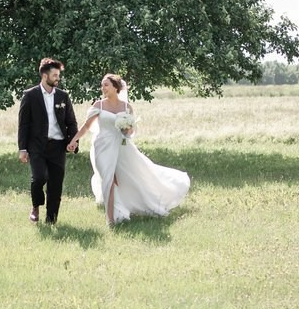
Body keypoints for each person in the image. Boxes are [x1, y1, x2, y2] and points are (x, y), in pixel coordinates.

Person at [67, 73, 190, 227]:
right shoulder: (98, 105)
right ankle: (110, 219)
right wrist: (74, 140)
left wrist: (126, 130)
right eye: (102, 85)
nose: (102, 88)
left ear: (116, 87)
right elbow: (86, 126)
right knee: (108, 179)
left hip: (121, 146)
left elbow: (130, 132)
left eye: (106, 85)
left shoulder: (127, 107)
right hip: (102, 146)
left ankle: (133, 204)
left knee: (130, 176)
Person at [18, 58, 79, 225]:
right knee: (39, 177)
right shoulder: (30, 95)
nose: (58, 78)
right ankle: (36, 205)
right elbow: (23, 124)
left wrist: (74, 141)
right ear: (45, 76)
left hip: (58, 146)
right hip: (37, 146)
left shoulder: (63, 96)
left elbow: (71, 122)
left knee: (55, 185)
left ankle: (51, 219)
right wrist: (22, 148)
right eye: (55, 75)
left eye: (58, 75)